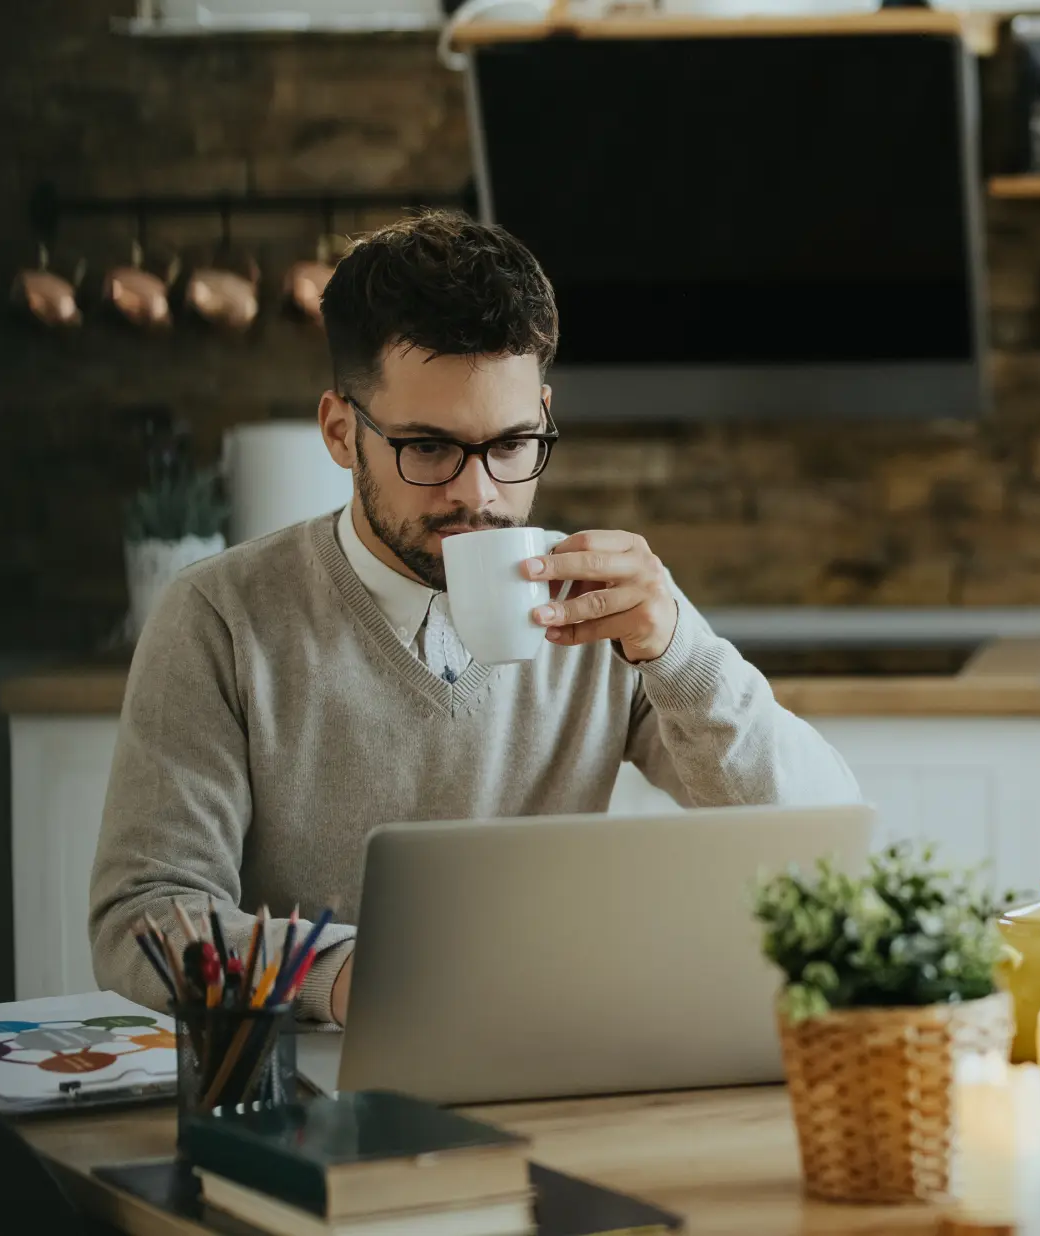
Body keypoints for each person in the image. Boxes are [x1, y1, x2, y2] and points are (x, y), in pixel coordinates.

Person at [89, 210, 860, 1027]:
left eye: (513, 444)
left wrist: (680, 654)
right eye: (428, 448)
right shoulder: (219, 618)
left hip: (554, 1061)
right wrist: (354, 980)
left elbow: (820, 836)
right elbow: (143, 915)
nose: (480, 494)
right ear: (342, 432)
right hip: (313, 1084)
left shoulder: (601, 604)